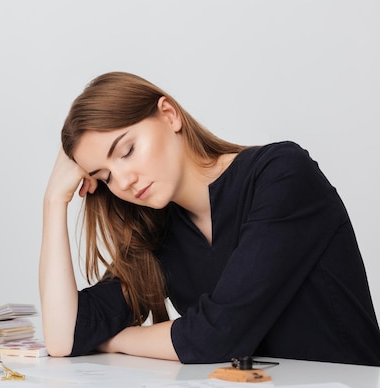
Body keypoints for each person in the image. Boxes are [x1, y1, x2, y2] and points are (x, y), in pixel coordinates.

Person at [39, 71, 380, 366]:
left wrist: (113, 339)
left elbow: (217, 335)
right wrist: (54, 202)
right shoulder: (159, 230)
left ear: (169, 115)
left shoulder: (282, 175)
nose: (124, 181)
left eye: (127, 151)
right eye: (106, 177)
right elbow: (64, 338)